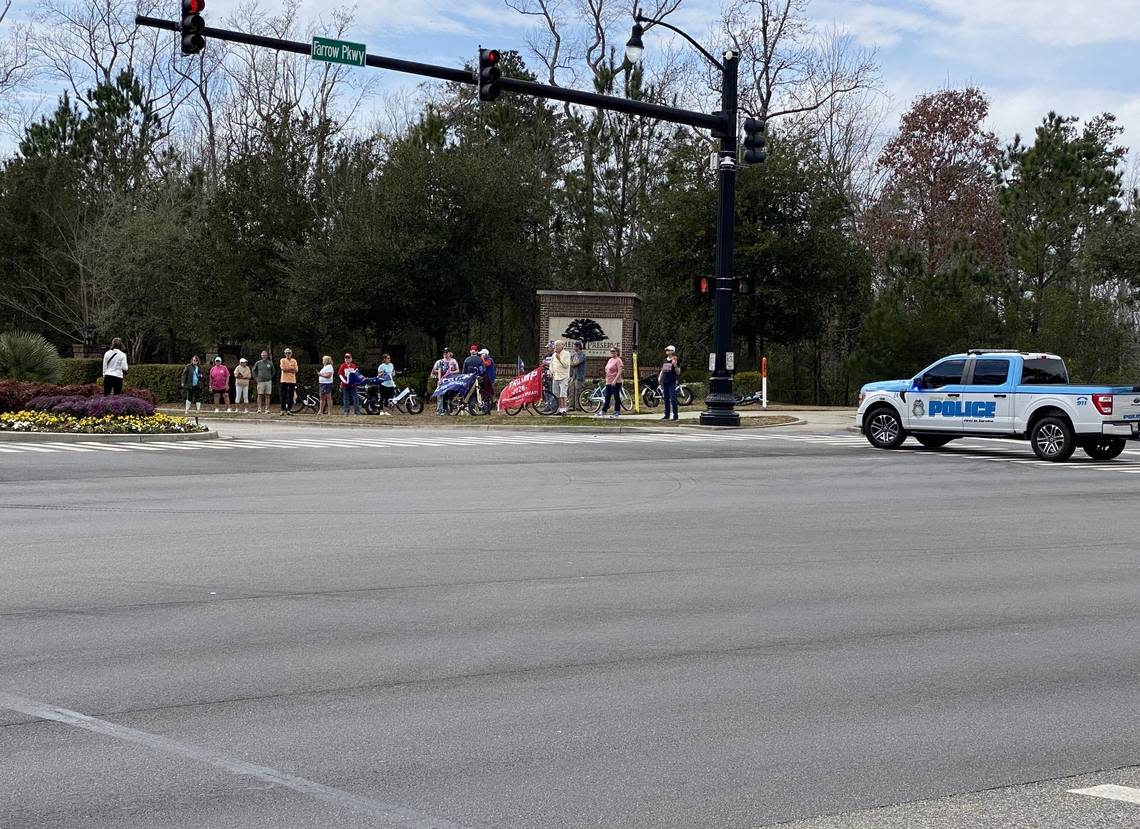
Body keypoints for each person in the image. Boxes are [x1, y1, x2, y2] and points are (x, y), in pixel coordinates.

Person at [597, 346, 624, 419]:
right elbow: (607, 370)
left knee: (616, 396)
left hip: (616, 381)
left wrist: (615, 380)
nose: (612, 353)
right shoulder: (610, 360)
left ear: (617, 352)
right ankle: (603, 411)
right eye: (611, 351)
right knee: (607, 396)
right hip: (608, 381)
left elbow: (619, 371)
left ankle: (617, 412)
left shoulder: (618, 360)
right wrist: (606, 379)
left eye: (613, 351)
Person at [431, 348, 459, 415]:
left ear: (449, 353)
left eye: (446, 353)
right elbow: (434, 370)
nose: (445, 354)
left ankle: (449, 410)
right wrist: (440, 378)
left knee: (449, 395)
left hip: (451, 381)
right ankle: (439, 410)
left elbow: (458, 370)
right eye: (444, 353)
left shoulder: (453, 361)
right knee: (440, 395)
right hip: (442, 380)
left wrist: (451, 372)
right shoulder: (439, 362)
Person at [659, 345, 682, 421]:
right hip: (664, 381)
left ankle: (675, 415)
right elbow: (663, 370)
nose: (667, 351)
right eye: (666, 350)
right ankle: (667, 414)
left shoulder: (675, 359)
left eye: (669, 350)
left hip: (671, 381)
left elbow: (678, 372)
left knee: (673, 398)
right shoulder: (664, 360)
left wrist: (675, 365)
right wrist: (660, 377)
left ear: (672, 351)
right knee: (666, 398)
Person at [549, 339, 571, 415]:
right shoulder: (553, 355)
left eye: (557, 345)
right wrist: (551, 372)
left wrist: (559, 359)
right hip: (555, 377)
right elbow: (551, 365)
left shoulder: (566, 354)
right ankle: (559, 409)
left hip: (563, 377)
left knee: (563, 394)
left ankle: (564, 410)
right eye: (555, 345)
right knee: (556, 395)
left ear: (562, 346)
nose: (555, 347)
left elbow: (566, 365)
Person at [279, 348, 298, 415]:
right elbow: (283, 369)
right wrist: (291, 369)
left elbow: (296, 370)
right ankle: (282, 410)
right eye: (286, 353)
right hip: (284, 380)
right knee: (283, 395)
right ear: (285, 354)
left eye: (289, 353)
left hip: (292, 380)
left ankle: (289, 410)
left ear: (291, 354)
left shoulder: (294, 361)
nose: (288, 354)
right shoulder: (282, 360)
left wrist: (288, 369)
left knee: (291, 395)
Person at [568, 341, 586, 412]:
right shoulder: (574, 355)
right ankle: (571, 406)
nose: (573, 347)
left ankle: (578, 407)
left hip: (579, 376)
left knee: (578, 392)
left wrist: (572, 363)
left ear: (578, 347)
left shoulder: (582, 355)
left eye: (575, 346)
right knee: (571, 391)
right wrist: (571, 363)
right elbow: (570, 363)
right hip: (573, 376)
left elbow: (575, 363)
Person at [479, 348, 495, 414]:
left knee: (487, 394)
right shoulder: (484, 360)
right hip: (486, 378)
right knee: (484, 394)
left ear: (485, 354)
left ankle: (487, 409)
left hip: (489, 379)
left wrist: (482, 359)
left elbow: (486, 364)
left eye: (481, 354)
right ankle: (486, 409)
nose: (480, 356)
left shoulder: (489, 359)